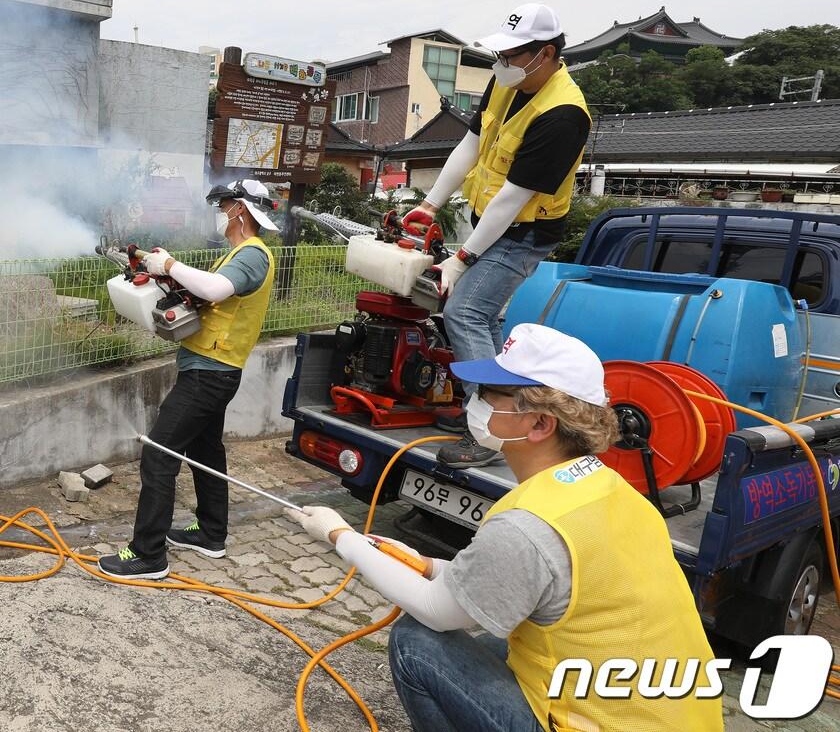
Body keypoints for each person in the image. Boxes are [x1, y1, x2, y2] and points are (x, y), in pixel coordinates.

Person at [286, 324, 722, 732]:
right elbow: (525, 579)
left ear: (539, 423)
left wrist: (340, 537)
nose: (475, 402)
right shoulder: (612, 489)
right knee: (501, 649)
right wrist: (425, 563)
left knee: (418, 642)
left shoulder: (529, 526)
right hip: (672, 714)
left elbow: (439, 610)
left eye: (491, 394)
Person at [402, 4, 593, 469]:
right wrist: (431, 204)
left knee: (464, 312)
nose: (501, 62)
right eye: (500, 53)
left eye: (512, 54)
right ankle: (498, 411)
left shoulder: (564, 115)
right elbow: (471, 143)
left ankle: (490, 433)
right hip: (490, 218)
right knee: (484, 323)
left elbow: (515, 197)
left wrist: (461, 258)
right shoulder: (507, 81)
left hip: (526, 230)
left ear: (545, 53)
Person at [98, 179, 278, 579]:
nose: (220, 213)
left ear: (240, 210)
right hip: (211, 369)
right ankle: (211, 533)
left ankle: (148, 555)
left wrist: (170, 266)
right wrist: (166, 269)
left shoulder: (252, 255)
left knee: (159, 453)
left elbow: (215, 288)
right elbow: (207, 296)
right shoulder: (241, 254)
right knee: (205, 451)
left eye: (224, 206)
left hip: (209, 374)